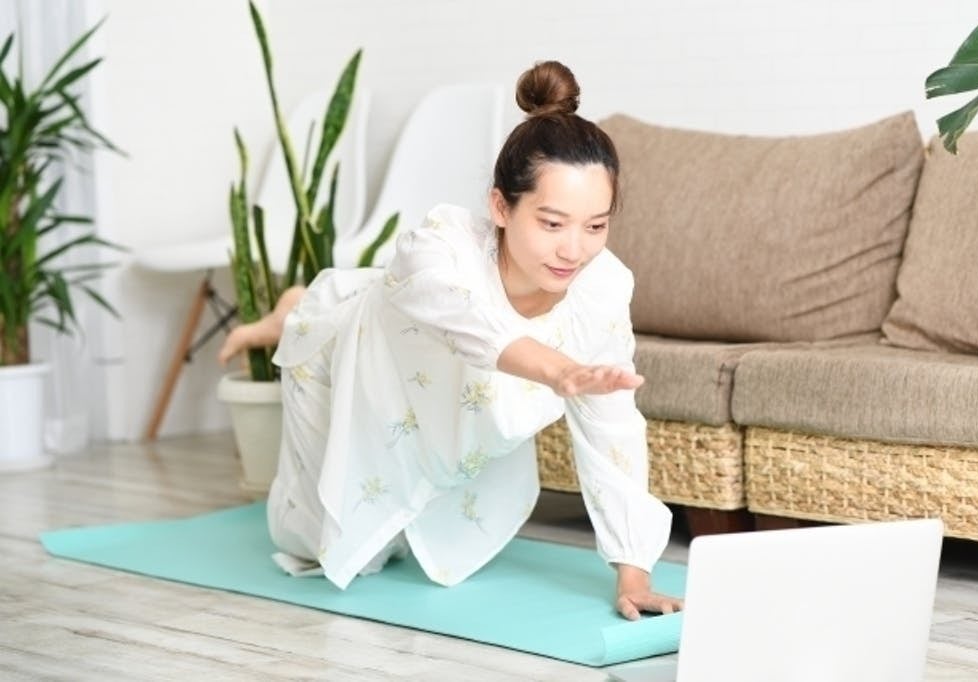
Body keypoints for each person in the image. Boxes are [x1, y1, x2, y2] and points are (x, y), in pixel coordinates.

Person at [219, 60, 681, 621]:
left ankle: (302, 303)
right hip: (349, 358)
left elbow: (613, 434)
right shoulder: (441, 246)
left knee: (395, 545)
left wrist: (634, 574)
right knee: (318, 546)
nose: (574, 250)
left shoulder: (602, 288)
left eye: (596, 226)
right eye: (552, 223)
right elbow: (474, 327)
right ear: (501, 207)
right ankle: (296, 310)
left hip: (436, 398)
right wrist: (561, 371)